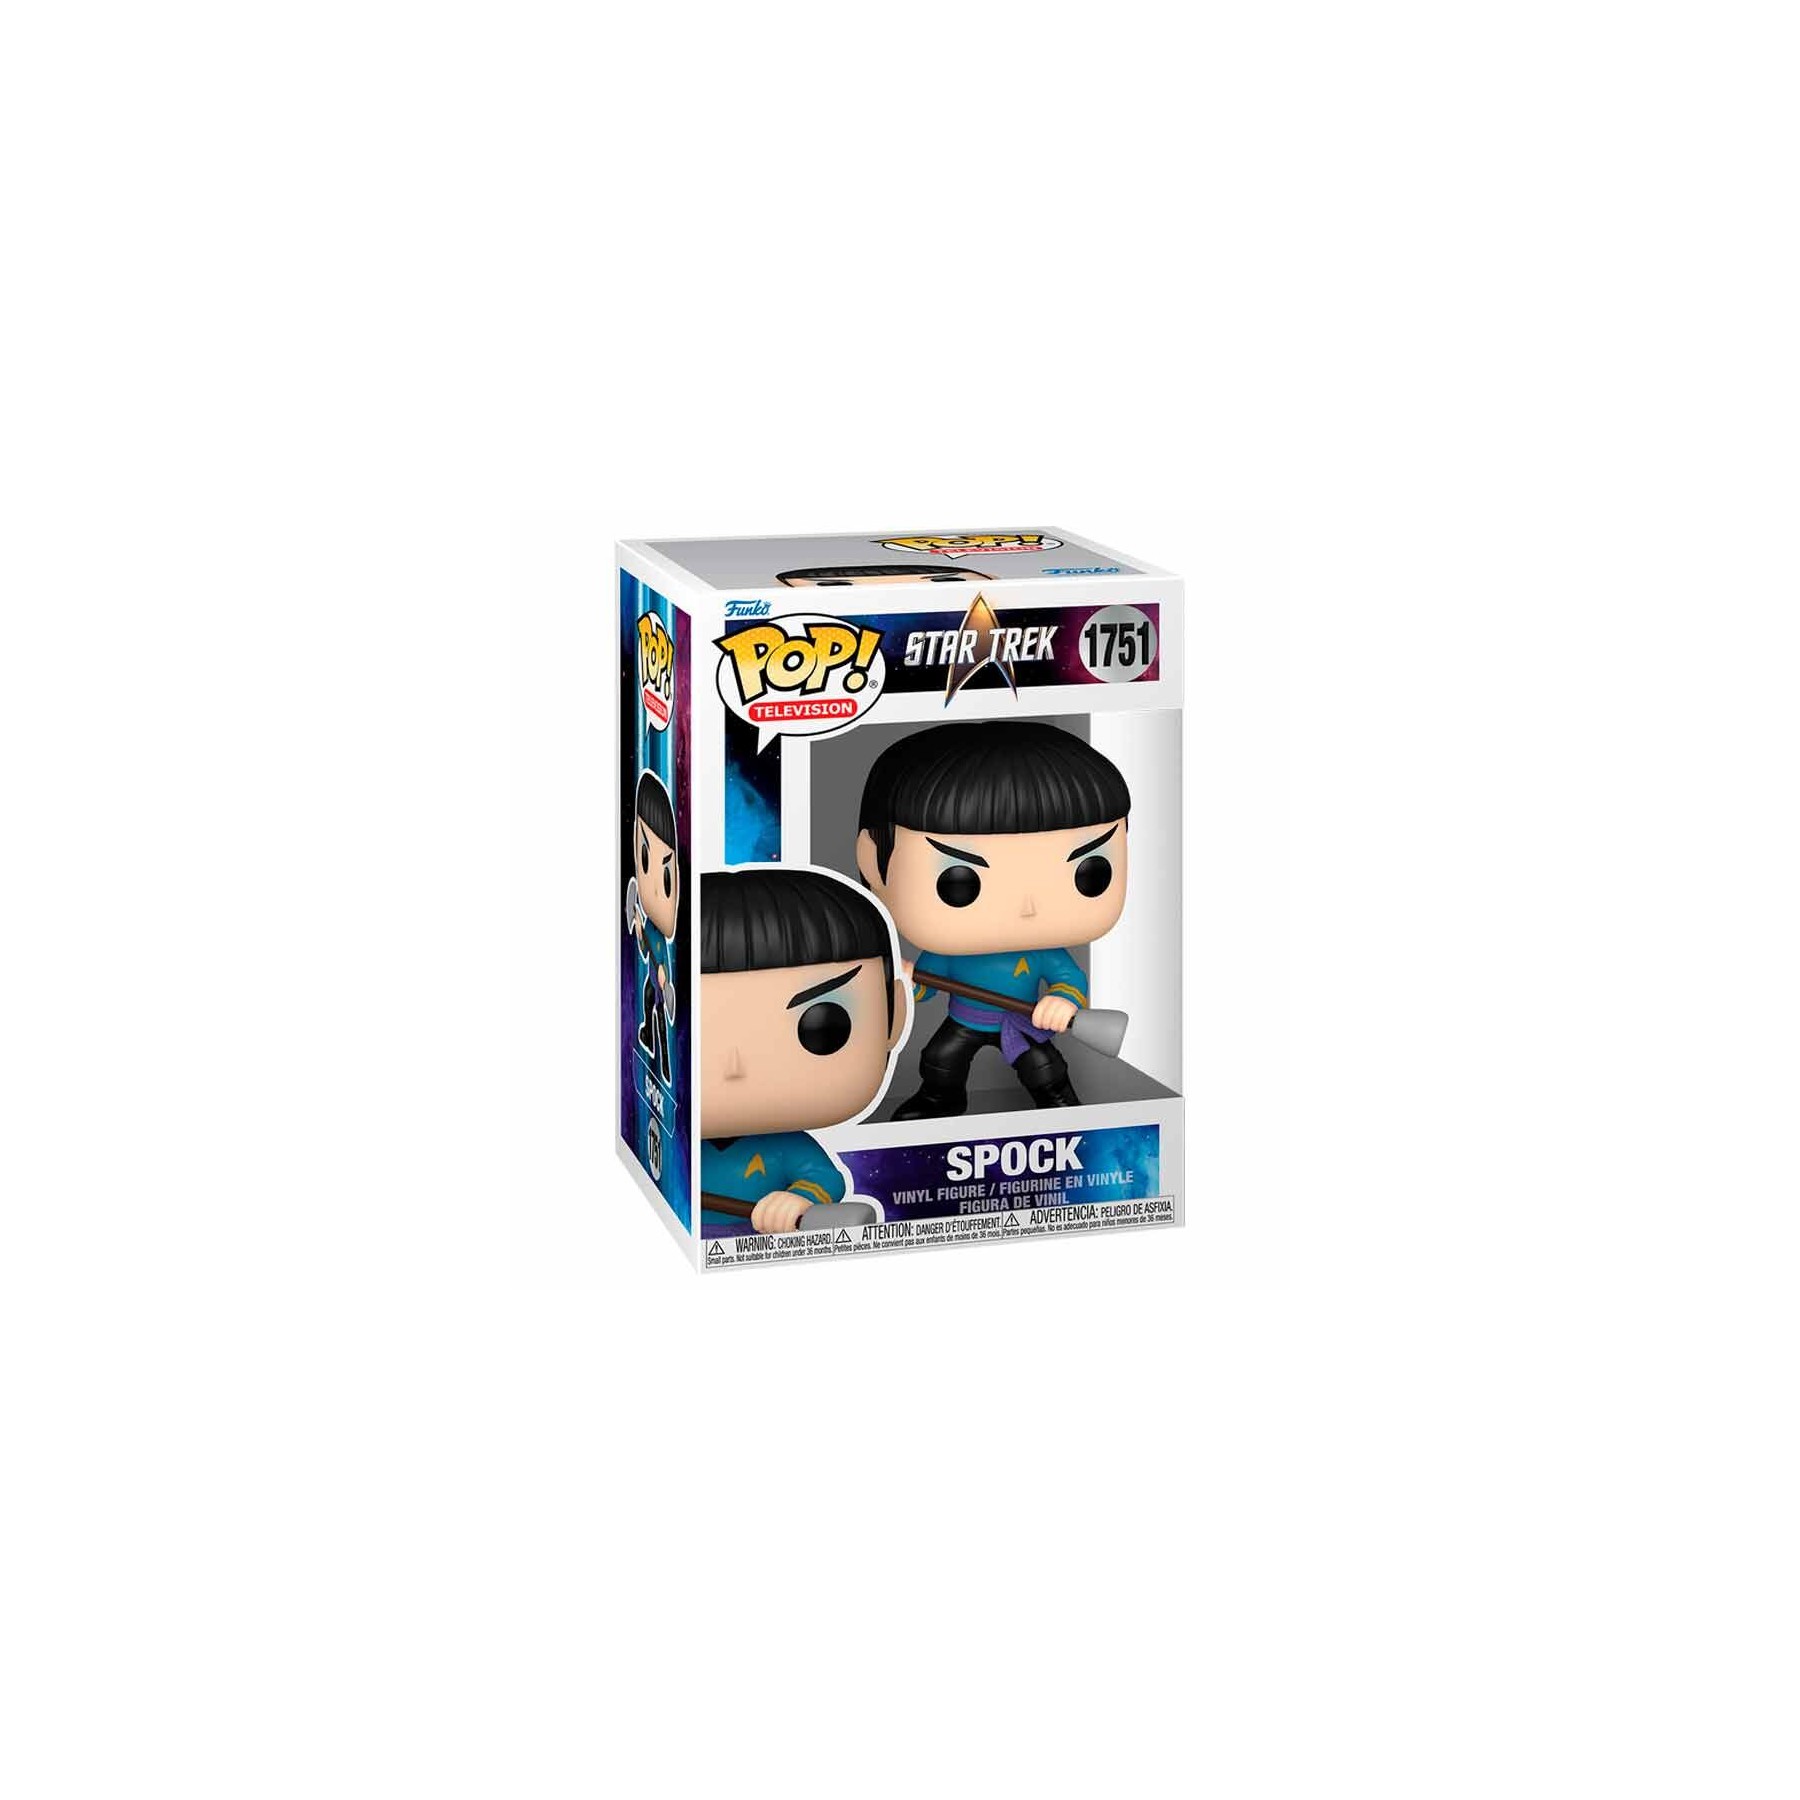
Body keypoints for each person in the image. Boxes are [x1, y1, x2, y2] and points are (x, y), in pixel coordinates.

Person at [855, 721, 1130, 1115]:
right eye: (959, 882)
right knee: (940, 1060)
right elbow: (925, 988)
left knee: (1045, 1070)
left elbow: (1069, 979)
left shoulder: (1042, 951)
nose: (1028, 907)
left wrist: (1062, 1001)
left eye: (1090, 873)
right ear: (873, 862)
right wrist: (907, 981)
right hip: (964, 1021)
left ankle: (1061, 1108)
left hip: (1021, 1022)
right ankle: (940, 1101)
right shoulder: (949, 951)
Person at [699, 867, 907, 1233]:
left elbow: (825, 1179)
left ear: (894, 1018)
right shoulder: (675, 1141)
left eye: (822, 1027)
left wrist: (799, 1199)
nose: (735, 1066)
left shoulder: (785, 1146)